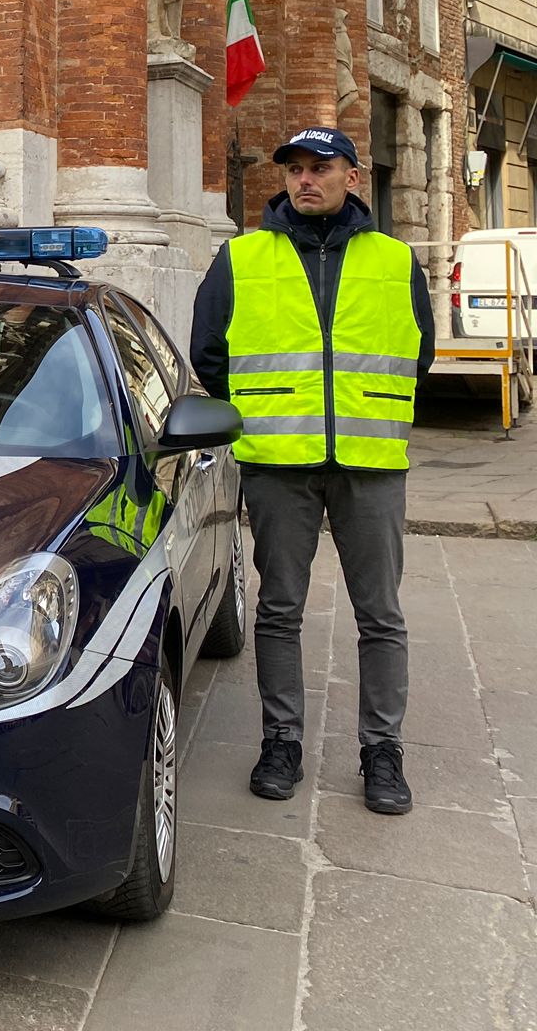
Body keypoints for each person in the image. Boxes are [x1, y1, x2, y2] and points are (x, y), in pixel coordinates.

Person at [190, 126, 434, 817]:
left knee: (380, 615)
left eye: (321, 167)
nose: (305, 179)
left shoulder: (395, 261)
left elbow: (420, 354)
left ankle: (382, 752)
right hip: (279, 464)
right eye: (295, 169)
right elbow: (209, 353)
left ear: (352, 177)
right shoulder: (240, 259)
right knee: (279, 609)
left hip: (371, 463)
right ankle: (281, 742)